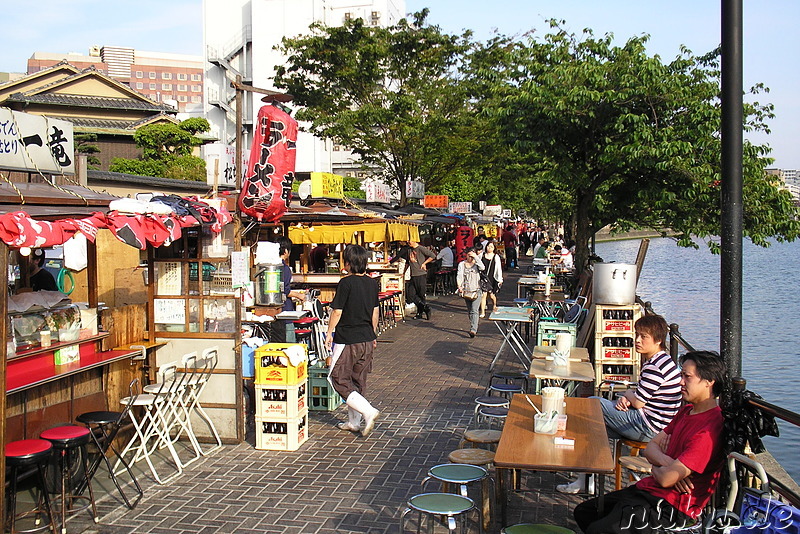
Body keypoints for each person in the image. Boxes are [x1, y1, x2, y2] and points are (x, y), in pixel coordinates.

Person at [574, 350, 727, 534]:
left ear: (709, 382)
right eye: (681, 375)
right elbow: (650, 449)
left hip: (671, 507)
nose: (680, 382)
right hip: (649, 490)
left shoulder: (709, 430)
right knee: (585, 512)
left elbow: (665, 479)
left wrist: (660, 466)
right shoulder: (686, 411)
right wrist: (668, 463)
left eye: (687, 377)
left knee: (600, 529)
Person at [558, 314, 681, 493]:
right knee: (590, 427)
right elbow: (643, 397)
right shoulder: (665, 361)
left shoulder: (655, 366)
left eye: (643, 336)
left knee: (593, 403)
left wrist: (628, 394)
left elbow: (638, 401)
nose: (637, 340)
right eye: (637, 334)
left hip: (648, 428)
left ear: (658, 340)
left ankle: (586, 480)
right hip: (653, 424)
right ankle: (586, 480)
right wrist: (627, 397)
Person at [325, 244, 381, 437]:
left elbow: (337, 311)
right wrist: (372, 335)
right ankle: (354, 422)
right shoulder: (372, 283)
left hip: (347, 339)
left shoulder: (346, 283)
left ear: (348, 263)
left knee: (336, 378)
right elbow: (375, 312)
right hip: (366, 338)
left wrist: (329, 332)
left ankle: (368, 411)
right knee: (357, 381)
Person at [273, 236, 306, 343]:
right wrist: (299, 295)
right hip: (285, 312)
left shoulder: (271, 267)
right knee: (289, 344)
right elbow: (285, 290)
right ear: (286, 251)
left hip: (272, 311)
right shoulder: (284, 268)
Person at [456, 246, 484, 338]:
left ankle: (473, 329)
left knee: (474, 310)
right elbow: (459, 276)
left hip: (477, 290)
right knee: (470, 310)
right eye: (469, 255)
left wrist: (476, 257)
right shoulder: (462, 264)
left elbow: (483, 267)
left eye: (472, 255)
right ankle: (473, 325)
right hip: (466, 290)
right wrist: (459, 286)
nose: (470, 257)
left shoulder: (477, 264)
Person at [406, 240, 436, 320]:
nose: (408, 242)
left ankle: (420, 312)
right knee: (410, 295)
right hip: (413, 275)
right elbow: (408, 262)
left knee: (421, 294)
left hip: (420, 274)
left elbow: (432, 255)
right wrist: (404, 272)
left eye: (410, 240)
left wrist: (424, 263)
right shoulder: (409, 250)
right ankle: (425, 308)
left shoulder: (421, 248)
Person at [478, 241, 503, 318]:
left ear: (494, 248)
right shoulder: (481, 255)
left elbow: (499, 268)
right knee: (483, 295)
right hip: (483, 277)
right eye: (488, 246)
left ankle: (494, 305)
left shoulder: (496, 257)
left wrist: (500, 279)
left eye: (491, 247)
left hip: (492, 278)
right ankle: (482, 312)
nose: (489, 248)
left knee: (492, 295)